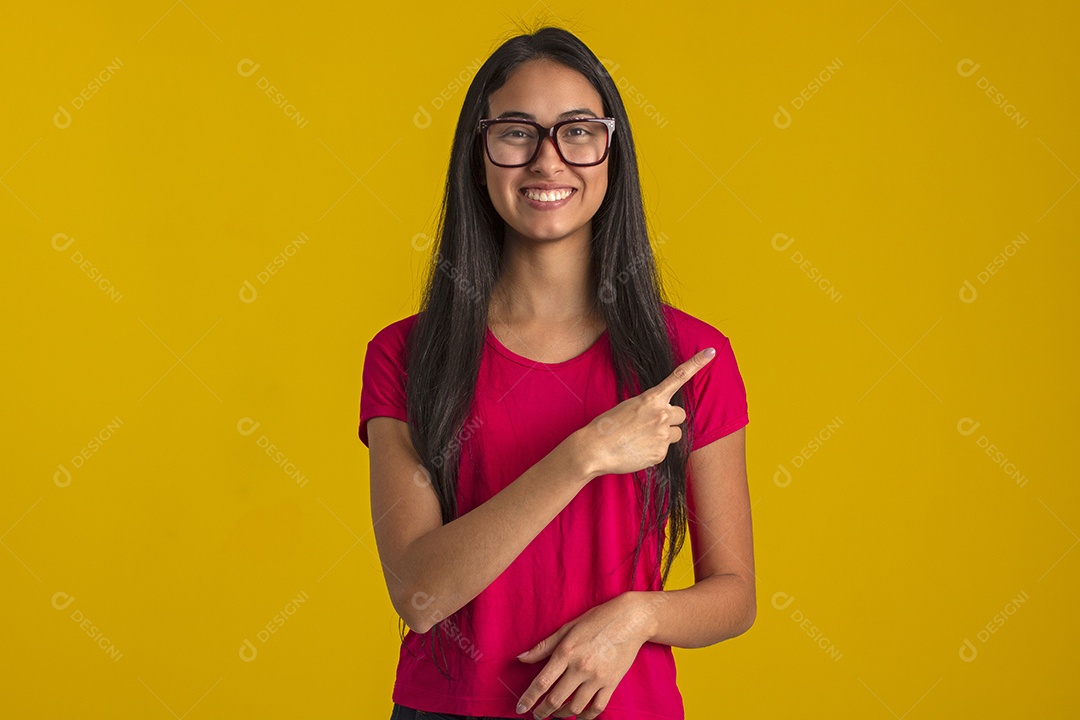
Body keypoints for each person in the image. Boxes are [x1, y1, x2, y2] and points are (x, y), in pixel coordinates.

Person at [359, 24, 754, 720]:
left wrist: (638, 617)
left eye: (577, 132)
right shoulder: (406, 355)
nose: (548, 160)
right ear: (479, 153)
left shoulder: (688, 357)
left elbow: (735, 595)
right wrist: (583, 456)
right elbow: (419, 596)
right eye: (517, 132)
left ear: (611, 153)